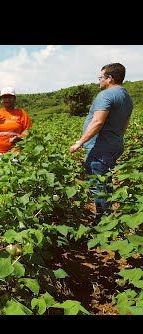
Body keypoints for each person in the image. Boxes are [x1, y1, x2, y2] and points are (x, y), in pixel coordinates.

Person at [69, 63, 133, 220]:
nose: (99, 81)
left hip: (100, 147)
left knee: (98, 185)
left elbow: (97, 122)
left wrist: (79, 142)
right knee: (106, 182)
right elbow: (124, 126)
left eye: (101, 77)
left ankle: (103, 222)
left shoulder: (105, 95)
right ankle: (107, 217)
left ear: (109, 78)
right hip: (114, 145)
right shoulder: (127, 98)